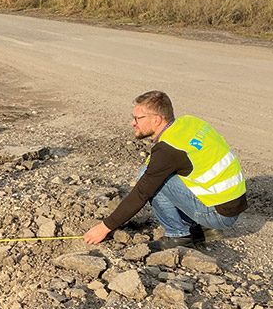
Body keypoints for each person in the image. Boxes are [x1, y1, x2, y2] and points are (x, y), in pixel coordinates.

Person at [83, 91, 246, 251]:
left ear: (156, 120)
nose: (133, 123)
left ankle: (178, 235)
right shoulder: (189, 122)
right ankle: (203, 229)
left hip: (219, 215)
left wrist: (104, 227)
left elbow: (141, 193)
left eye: (137, 118)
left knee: (150, 181)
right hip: (231, 204)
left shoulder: (169, 151)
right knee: (152, 172)